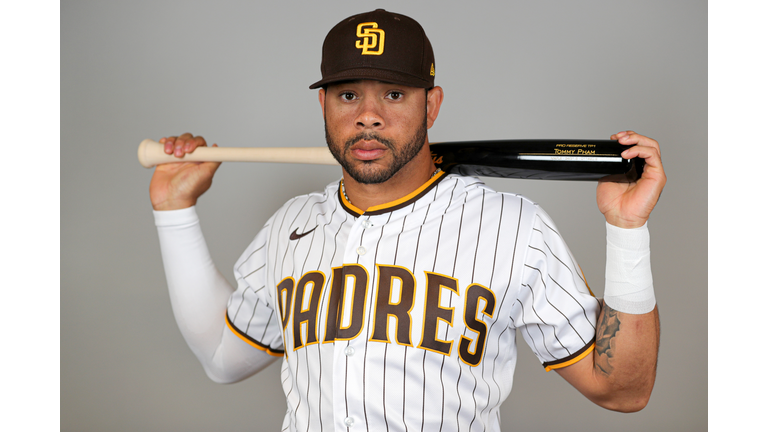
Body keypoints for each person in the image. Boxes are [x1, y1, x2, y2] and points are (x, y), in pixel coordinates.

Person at [149, 9, 665, 432]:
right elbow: (223, 357)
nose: (368, 115)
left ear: (432, 104)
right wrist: (174, 211)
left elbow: (623, 390)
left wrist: (627, 229)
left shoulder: (514, 228)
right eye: (349, 94)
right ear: (324, 105)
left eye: (394, 95)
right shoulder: (291, 226)